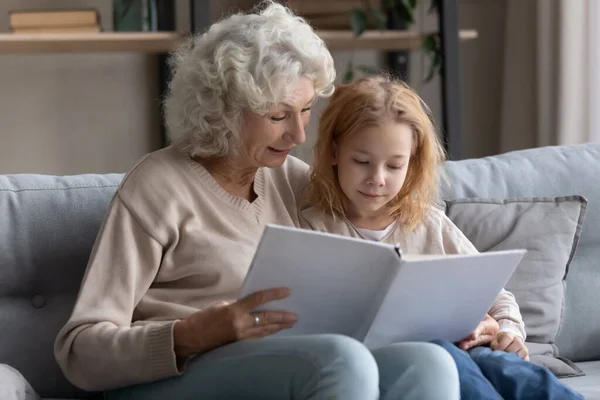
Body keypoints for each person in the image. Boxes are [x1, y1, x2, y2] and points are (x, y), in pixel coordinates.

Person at [53, 3, 460, 399]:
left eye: (305, 111)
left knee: (427, 363)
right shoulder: (156, 188)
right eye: (279, 117)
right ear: (224, 108)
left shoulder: (293, 180)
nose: (299, 136)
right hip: (175, 374)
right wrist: (191, 334)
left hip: (287, 361)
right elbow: (81, 351)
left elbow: (390, 225)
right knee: (341, 360)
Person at [300, 75, 584, 400]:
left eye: (395, 165)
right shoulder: (314, 227)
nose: (376, 179)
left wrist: (507, 331)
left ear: (413, 161)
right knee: (446, 359)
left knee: (512, 372)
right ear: (335, 152)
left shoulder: (428, 224)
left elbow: (497, 296)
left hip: (464, 349)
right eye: (361, 162)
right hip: (398, 366)